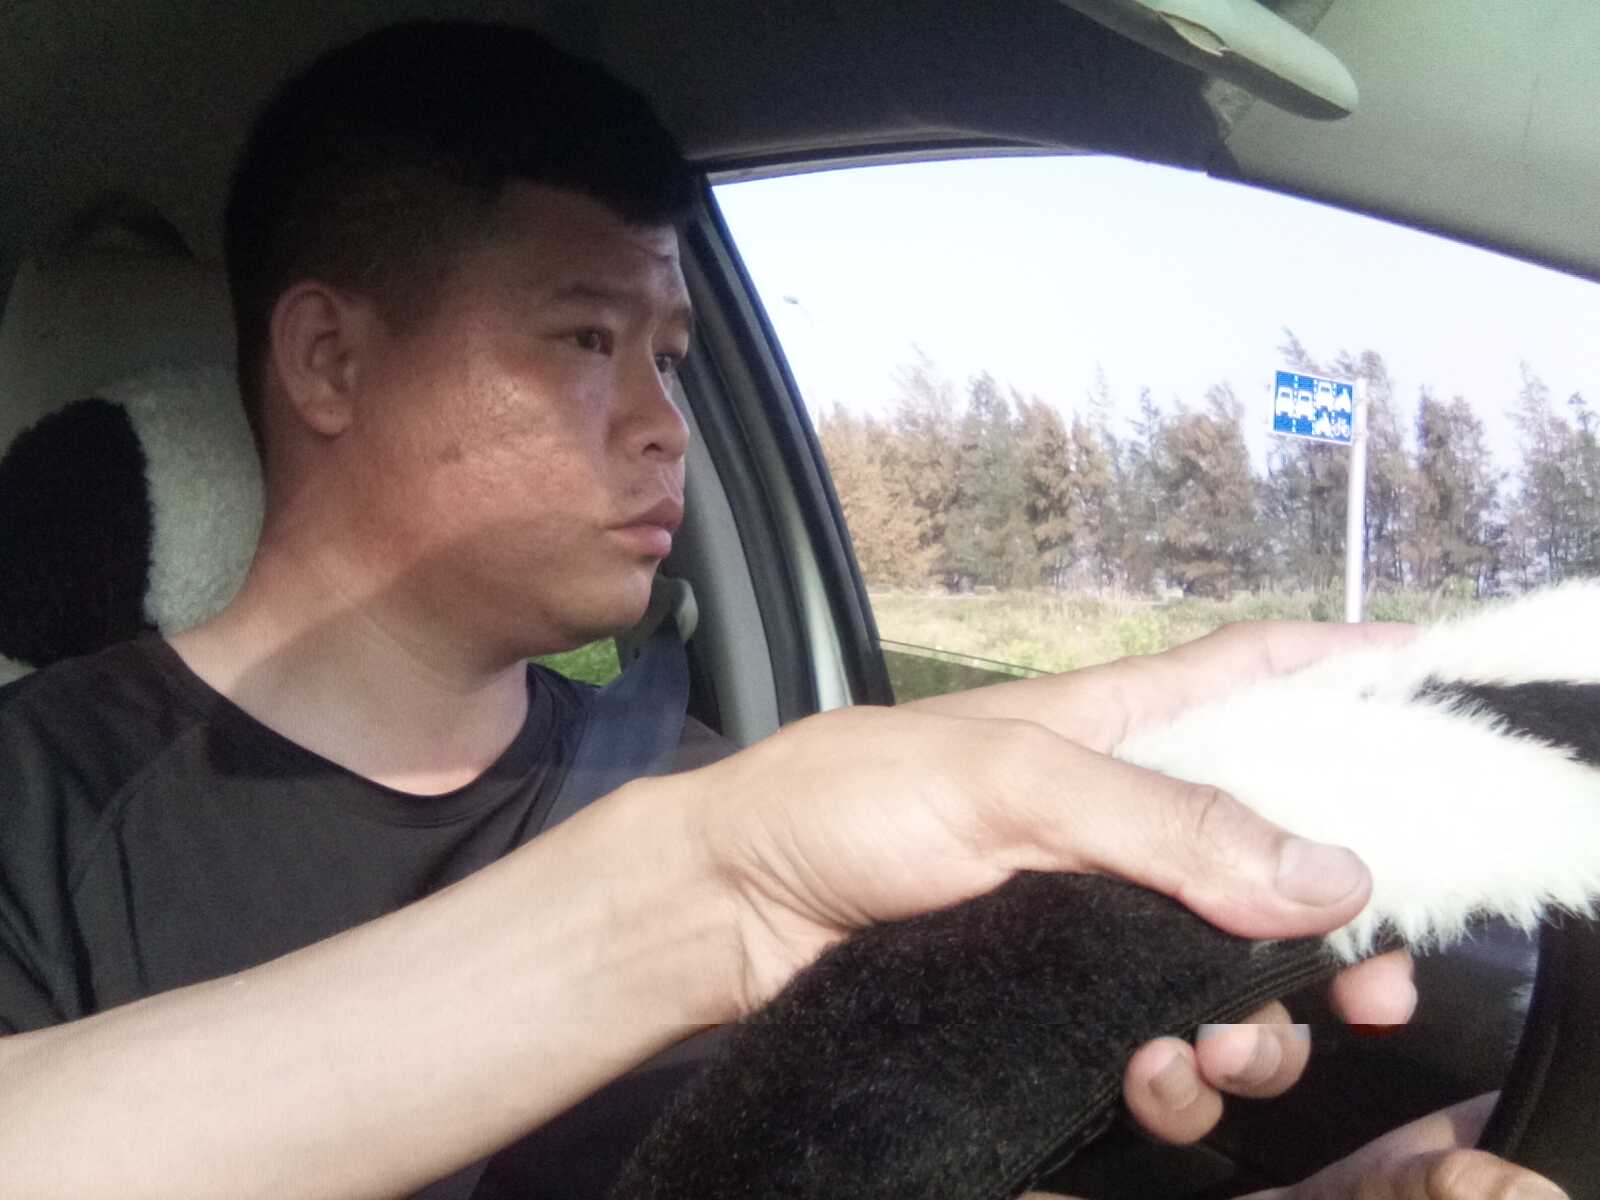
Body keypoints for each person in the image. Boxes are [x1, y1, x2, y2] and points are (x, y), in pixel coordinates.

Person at [0, 20, 1562, 1200]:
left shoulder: (705, 776)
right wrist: (709, 891)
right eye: (584, 339)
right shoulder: (36, 804)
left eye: (672, 357)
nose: (663, 426)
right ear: (331, 360)